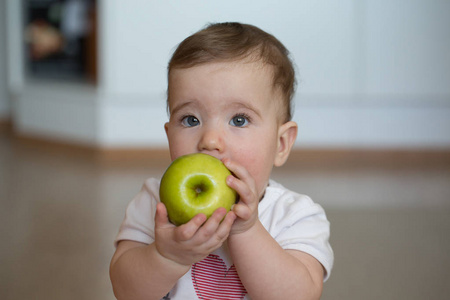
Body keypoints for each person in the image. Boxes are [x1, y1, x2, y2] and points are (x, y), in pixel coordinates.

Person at [110, 22, 333, 300]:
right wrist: (167, 256)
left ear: (281, 144)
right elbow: (125, 291)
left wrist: (248, 229)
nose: (210, 140)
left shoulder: (294, 216)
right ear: (169, 137)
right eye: (191, 119)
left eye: (239, 120)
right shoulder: (155, 204)